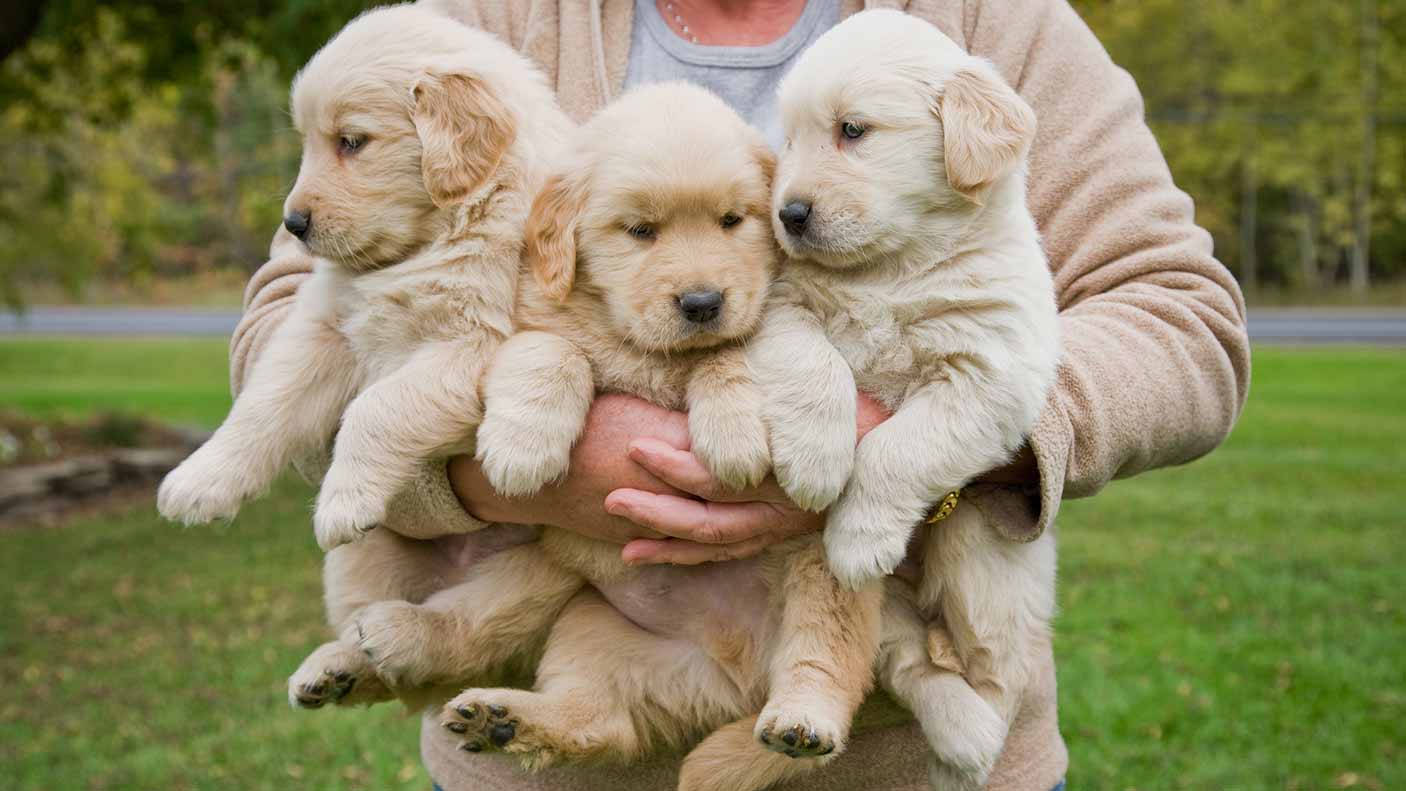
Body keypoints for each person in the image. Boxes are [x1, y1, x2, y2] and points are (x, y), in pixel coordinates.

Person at [232, 1, 1251, 789]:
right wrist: (492, 475)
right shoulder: (477, 25)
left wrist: (932, 437)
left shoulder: (988, 22)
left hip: (904, 768)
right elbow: (297, 313)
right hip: (544, 742)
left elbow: (1177, 313)